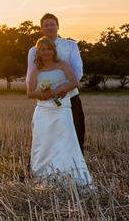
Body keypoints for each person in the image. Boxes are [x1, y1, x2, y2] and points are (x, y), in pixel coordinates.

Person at [27, 36, 92, 186]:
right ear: (38, 52)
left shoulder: (63, 65)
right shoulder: (36, 71)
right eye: (43, 49)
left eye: (49, 49)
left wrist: (60, 89)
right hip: (43, 111)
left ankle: (67, 177)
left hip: (62, 108)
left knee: (65, 141)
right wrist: (42, 94)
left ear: (53, 50)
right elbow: (30, 93)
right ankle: (43, 178)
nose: (46, 52)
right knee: (44, 143)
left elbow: (74, 82)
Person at [26, 13, 86, 155]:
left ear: (58, 26)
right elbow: (31, 75)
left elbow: (78, 71)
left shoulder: (70, 45)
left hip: (70, 97)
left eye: (52, 24)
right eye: (46, 25)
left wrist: (63, 88)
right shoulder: (34, 50)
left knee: (76, 133)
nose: (49, 27)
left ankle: (74, 168)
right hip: (45, 101)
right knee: (45, 138)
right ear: (41, 28)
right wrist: (42, 93)